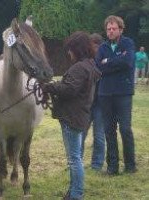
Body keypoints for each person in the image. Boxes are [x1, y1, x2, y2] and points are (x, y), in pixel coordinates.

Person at [41, 31, 101, 200]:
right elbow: (72, 86)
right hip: (80, 116)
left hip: (72, 118)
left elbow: (69, 89)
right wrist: (57, 85)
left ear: (77, 49)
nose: (68, 53)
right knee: (75, 158)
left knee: (74, 160)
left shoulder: (79, 67)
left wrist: (49, 87)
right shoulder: (89, 65)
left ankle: (76, 194)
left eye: (70, 49)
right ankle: (74, 191)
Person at [96, 15, 136, 175]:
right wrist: (116, 59)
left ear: (120, 29)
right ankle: (112, 167)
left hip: (123, 93)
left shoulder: (128, 43)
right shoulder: (102, 47)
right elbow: (99, 67)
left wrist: (108, 62)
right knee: (109, 130)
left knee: (125, 129)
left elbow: (128, 62)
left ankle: (130, 165)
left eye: (114, 28)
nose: (111, 31)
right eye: (108, 29)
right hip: (105, 94)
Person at [81, 33, 105, 171]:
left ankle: (97, 164)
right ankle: (77, 161)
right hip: (88, 103)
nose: (91, 48)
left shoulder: (102, 60)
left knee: (99, 135)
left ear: (98, 46)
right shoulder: (86, 60)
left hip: (100, 102)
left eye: (93, 45)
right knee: (81, 133)